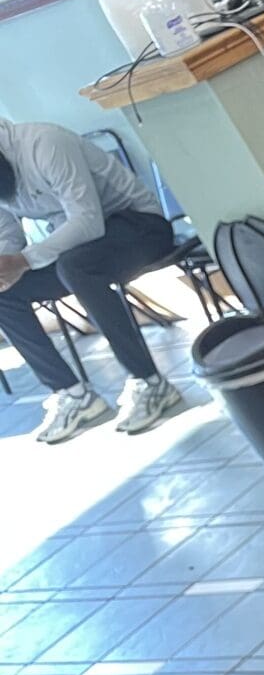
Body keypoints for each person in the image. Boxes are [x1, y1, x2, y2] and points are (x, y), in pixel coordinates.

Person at [0, 119, 186, 445]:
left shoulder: (43, 143)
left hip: (140, 225)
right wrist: (5, 265)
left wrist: (24, 260)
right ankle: (73, 394)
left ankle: (151, 381)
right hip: (78, 250)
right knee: (5, 292)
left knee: (75, 268)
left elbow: (88, 221)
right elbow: (8, 235)